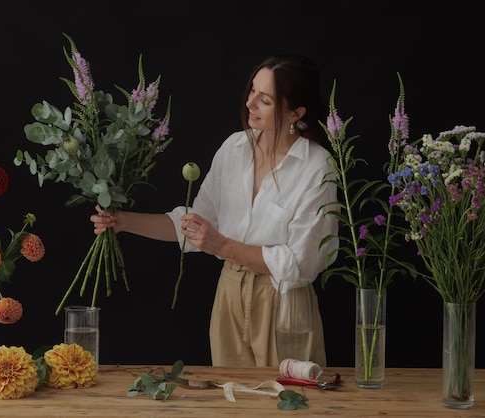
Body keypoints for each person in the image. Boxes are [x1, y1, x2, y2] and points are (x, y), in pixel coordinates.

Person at [90, 53, 338, 367]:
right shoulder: (234, 149)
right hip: (229, 293)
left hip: (285, 303)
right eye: (251, 91)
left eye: (264, 100)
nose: (249, 103)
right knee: (231, 402)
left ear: (295, 113)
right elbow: (197, 225)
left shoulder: (318, 166)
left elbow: (302, 263)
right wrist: (123, 221)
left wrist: (221, 244)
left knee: (291, 401)